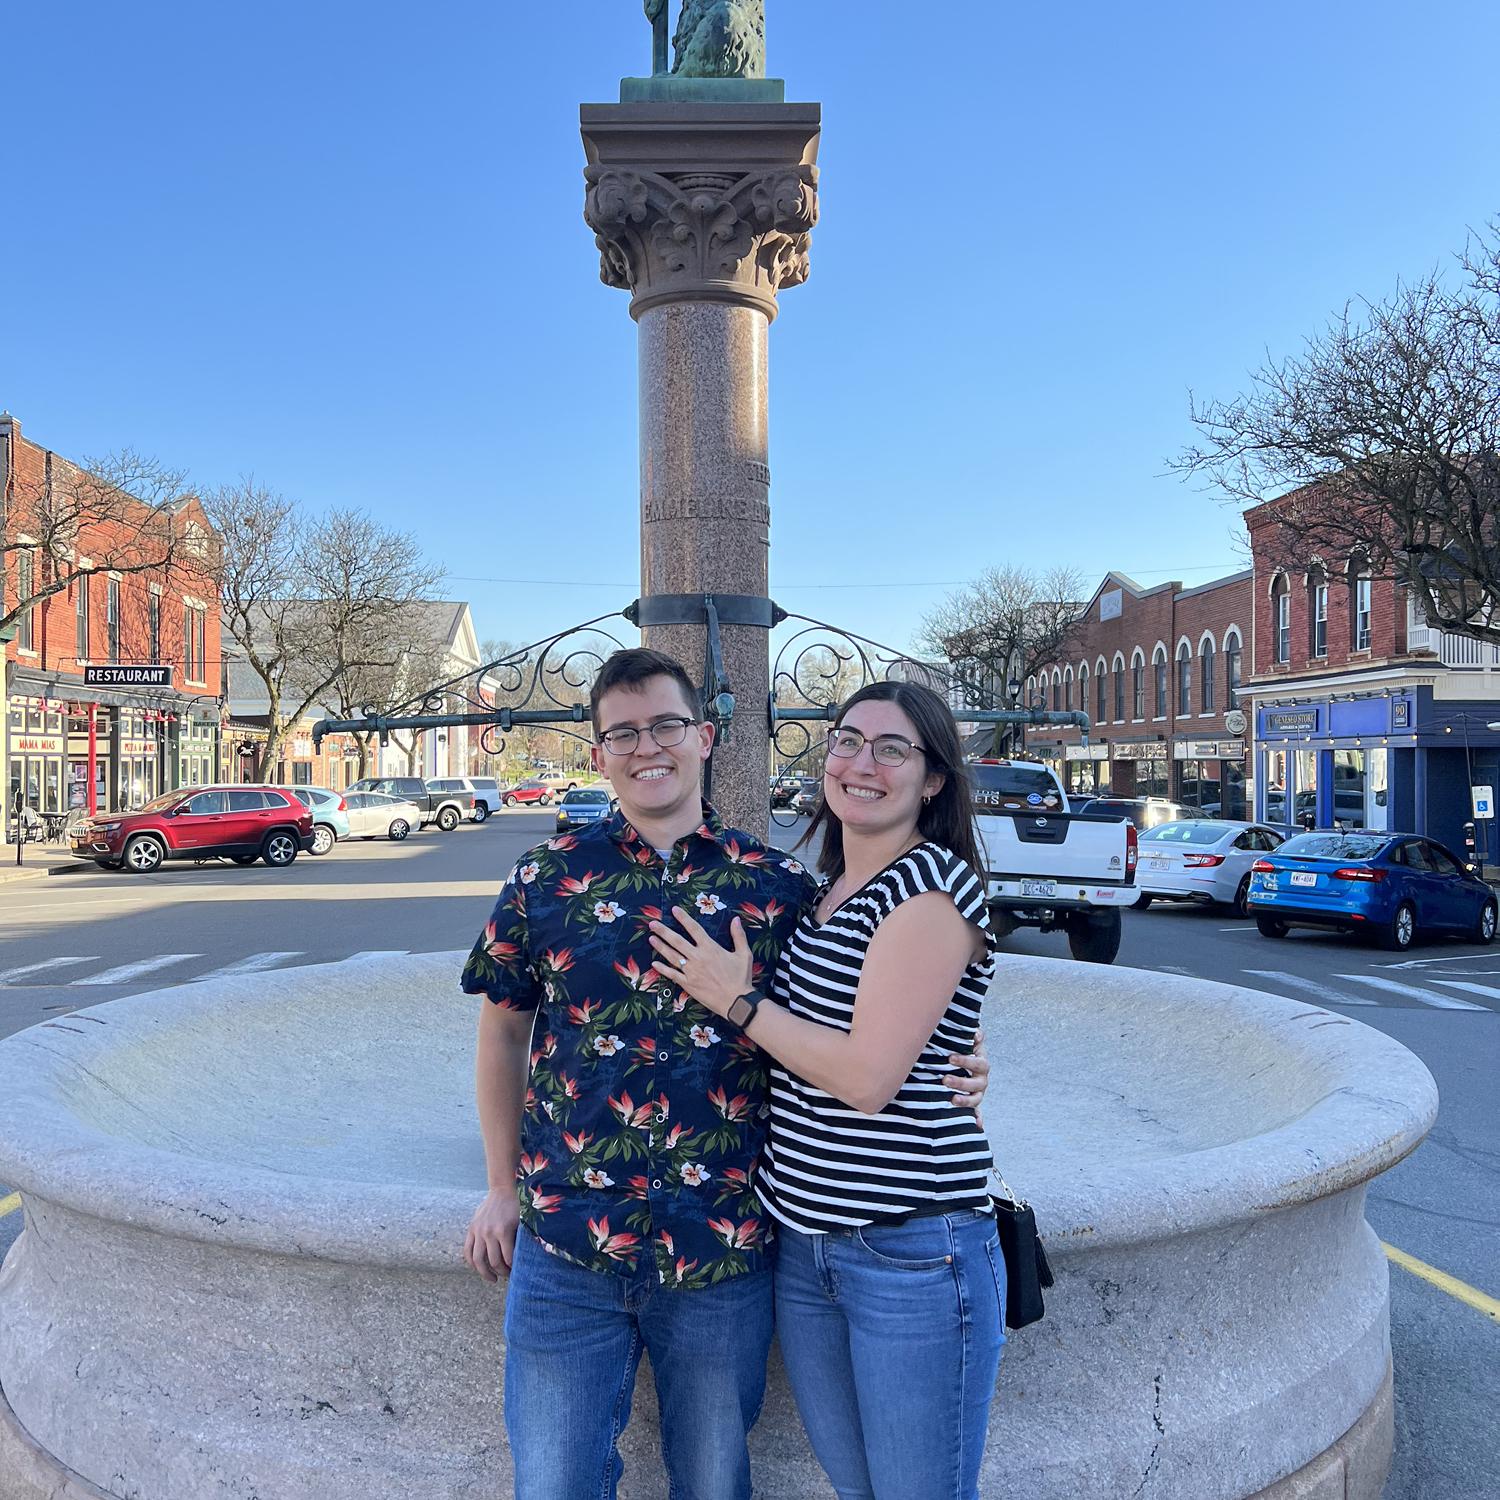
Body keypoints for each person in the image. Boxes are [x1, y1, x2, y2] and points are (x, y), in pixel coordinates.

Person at [460, 649, 988, 1500]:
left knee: (713, 1485)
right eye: (622, 733)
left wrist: (956, 1058)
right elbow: (502, 1034)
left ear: (704, 736)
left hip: (724, 1251)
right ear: (598, 753)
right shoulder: (545, 878)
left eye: (666, 725)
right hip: (568, 1246)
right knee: (551, 1483)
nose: (647, 747)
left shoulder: (777, 889)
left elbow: (868, 1021)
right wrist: (499, 1187)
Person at [647, 679, 1005, 1500]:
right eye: (847, 741)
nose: (862, 763)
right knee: (857, 1489)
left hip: (910, 1248)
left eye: (893, 749)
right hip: (807, 1245)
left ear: (934, 779)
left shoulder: (932, 890)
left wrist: (734, 999)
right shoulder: (822, 896)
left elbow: (868, 1079)